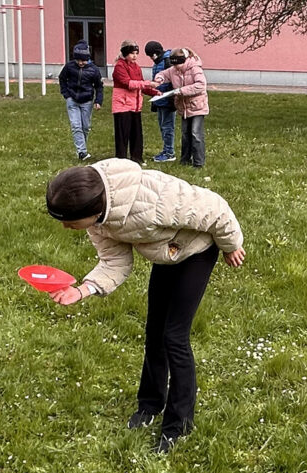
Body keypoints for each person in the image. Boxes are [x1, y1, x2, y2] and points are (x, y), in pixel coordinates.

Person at [45, 158, 246, 453]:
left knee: (174, 337)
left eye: (70, 222)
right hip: (167, 253)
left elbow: (214, 208)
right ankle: (150, 405)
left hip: (197, 249)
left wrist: (231, 245)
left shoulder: (154, 199)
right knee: (154, 332)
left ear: (93, 210)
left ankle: (178, 425)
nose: (66, 227)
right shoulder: (98, 218)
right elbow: (115, 261)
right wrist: (83, 291)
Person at [156, 47, 209, 167]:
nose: (176, 67)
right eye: (173, 65)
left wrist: (181, 90)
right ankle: (185, 160)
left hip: (197, 106)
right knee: (185, 134)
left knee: (196, 133)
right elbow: (164, 74)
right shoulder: (174, 70)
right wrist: (159, 78)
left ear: (184, 60)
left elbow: (201, 85)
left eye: (178, 64)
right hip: (183, 107)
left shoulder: (195, 69)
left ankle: (198, 162)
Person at [111, 40, 160, 161]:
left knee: (137, 134)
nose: (135, 56)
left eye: (136, 53)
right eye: (132, 53)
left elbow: (141, 85)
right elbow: (129, 84)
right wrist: (149, 83)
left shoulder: (137, 67)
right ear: (125, 53)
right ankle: (121, 159)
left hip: (135, 106)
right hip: (122, 106)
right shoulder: (119, 66)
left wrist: (155, 92)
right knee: (122, 135)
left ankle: (137, 158)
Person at [58, 42, 103, 160]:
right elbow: (62, 79)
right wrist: (66, 94)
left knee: (85, 127)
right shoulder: (69, 67)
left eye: (83, 60)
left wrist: (98, 101)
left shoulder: (94, 70)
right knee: (76, 126)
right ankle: (82, 152)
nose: (80, 63)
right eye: (78, 60)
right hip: (72, 100)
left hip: (87, 101)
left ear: (88, 59)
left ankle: (82, 147)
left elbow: (99, 86)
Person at [146, 41, 178, 163]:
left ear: (156, 53)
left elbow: (172, 82)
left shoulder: (167, 62)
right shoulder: (157, 63)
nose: (151, 58)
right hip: (159, 100)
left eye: (151, 55)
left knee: (168, 127)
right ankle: (166, 150)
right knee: (163, 127)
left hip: (167, 100)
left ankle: (169, 152)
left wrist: (170, 98)